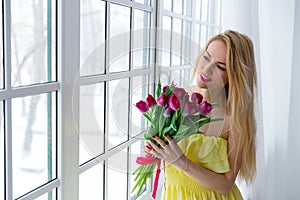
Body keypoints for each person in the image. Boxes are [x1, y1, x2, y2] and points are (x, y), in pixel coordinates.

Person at [144, 30, 257, 199]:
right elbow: (167, 154)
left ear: (235, 75)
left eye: (220, 66)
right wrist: (156, 148)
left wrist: (180, 161)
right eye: (206, 57)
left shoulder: (235, 121)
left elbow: (226, 184)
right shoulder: (179, 97)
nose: (206, 68)